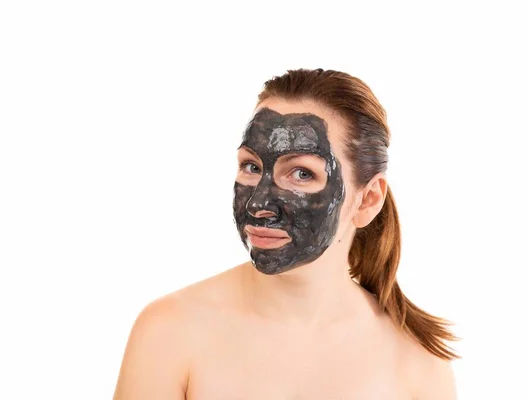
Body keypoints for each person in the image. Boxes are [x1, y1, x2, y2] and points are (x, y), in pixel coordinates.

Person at [113, 68, 460, 399]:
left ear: (367, 200)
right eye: (252, 167)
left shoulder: (418, 362)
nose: (258, 204)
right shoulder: (170, 333)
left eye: (302, 174)